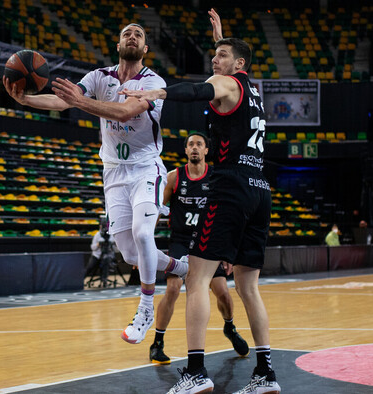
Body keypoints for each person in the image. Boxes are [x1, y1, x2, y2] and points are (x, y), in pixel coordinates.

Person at [121, 8, 281, 393]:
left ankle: (195, 372)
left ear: (237, 63)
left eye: (222, 56)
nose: (215, 60)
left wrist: (154, 92)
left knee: (195, 278)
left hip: (229, 188)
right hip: (260, 188)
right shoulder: (251, 89)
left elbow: (200, 89)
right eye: (215, 55)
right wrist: (220, 41)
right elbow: (227, 74)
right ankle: (265, 374)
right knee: (248, 286)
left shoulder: (225, 84)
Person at [4, 22, 188, 345]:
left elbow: (124, 112)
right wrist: (27, 101)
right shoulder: (98, 77)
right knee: (132, 254)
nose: (132, 37)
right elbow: (63, 102)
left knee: (144, 234)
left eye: (139, 35)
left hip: (147, 168)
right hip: (114, 172)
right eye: (126, 34)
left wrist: (80, 102)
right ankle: (180, 266)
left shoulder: (153, 82)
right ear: (118, 45)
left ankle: (145, 307)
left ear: (145, 49)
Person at [149, 132, 248, 365]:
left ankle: (230, 327)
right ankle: (157, 343)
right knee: (173, 289)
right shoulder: (174, 177)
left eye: (199, 144)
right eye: (190, 144)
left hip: (208, 240)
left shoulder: (216, 177)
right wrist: (146, 244)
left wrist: (228, 251)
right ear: (185, 150)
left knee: (222, 291)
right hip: (181, 240)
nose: (194, 147)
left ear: (206, 151)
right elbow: (158, 210)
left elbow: (225, 215)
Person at [85, 219, 116, 287]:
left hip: (107, 256)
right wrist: (98, 245)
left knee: (106, 261)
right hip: (97, 255)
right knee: (89, 267)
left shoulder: (111, 235)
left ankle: (104, 280)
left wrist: (111, 244)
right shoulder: (97, 235)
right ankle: (80, 280)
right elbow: (92, 247)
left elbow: (115, 247)